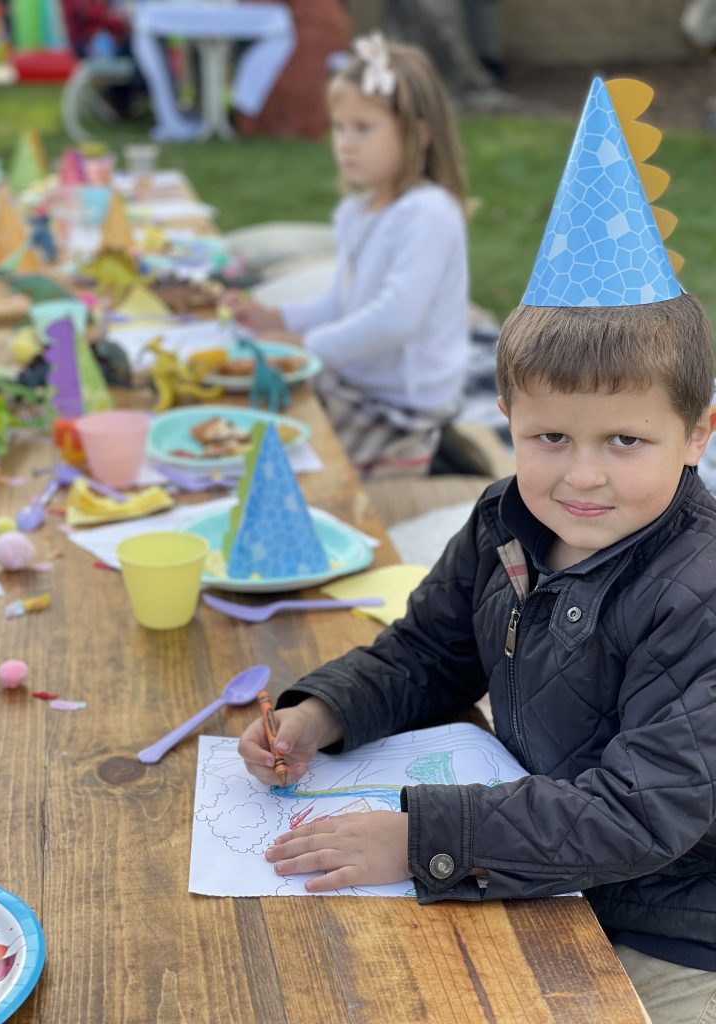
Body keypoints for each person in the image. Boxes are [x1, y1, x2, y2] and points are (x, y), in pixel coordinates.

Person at [237, 77, 716, 1024]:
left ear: (698, 432)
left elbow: (640, 812)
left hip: (664, 923)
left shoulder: (697, 592)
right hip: (529, 860)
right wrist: (323, 713)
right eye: (549, 438)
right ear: (506, 417)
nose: (582, 476)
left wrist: (417, 838)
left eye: (625, 441)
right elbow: (430, 650)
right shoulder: (504, 519)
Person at [223, 33, 470, 478]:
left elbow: (396, 317)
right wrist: (278, 318)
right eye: (339, 127)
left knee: (279, 457)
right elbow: (341, 303)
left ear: (417, 134)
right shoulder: (358, 212)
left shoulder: (428, 213)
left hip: (399, 409)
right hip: (357, 382)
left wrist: (306, 346)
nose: (345, 143)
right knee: (250, 405)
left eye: (363, 128)